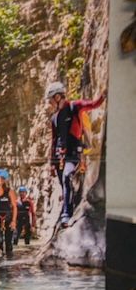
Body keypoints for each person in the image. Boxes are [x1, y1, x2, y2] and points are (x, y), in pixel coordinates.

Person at [45, 81, 105, 227]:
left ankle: (67, 214)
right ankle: (66, 209)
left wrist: (103, 96)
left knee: (66, 177)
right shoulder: (54, 118)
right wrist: (52, 164)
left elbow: (92, 104)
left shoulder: (74, 106)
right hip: (59, 155)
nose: (50, 103)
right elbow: (54, 140)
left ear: (58, 97)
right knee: (64, 183)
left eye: (52, 99)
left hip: (73, 153)